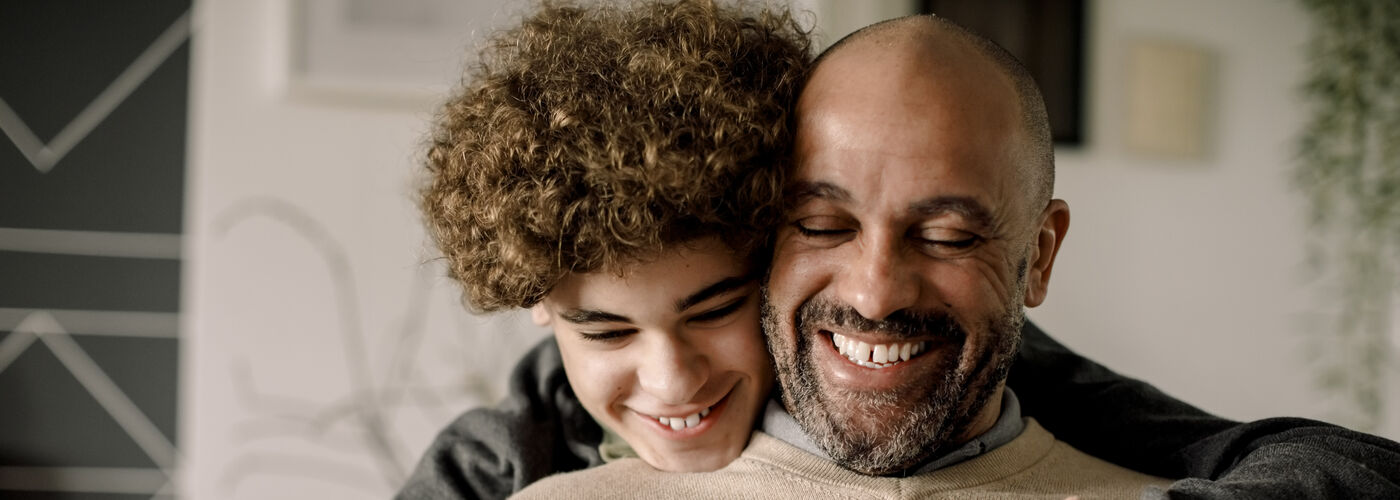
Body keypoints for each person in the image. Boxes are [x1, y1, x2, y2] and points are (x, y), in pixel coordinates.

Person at [401, 3, 1400, 500]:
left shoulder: (1147, 474)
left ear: (1037, 255)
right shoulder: (530, 475)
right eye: (822, 222)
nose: (874, 290)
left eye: (948, 231)